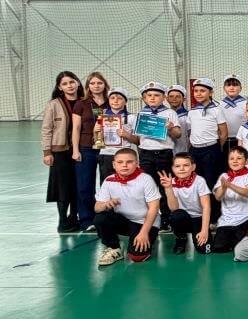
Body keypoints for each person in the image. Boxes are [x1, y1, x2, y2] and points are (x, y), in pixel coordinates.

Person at [93, 147, 161, 267]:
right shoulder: (109, 180)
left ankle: (149, 238)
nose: (124, 165)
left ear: (137, 163)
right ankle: (114, 247)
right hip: (124, 221)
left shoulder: (145, 179)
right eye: (120, 162)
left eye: (129, 162)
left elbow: (154, 208)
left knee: (137, 257)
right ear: (114, 165)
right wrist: (105, 204)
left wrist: (144, 232)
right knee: (100, 218)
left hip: (145, 223)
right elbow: (97, 208)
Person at [133, 81, 182, 225]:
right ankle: (150, 218)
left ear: (164, 98)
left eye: (156, 95)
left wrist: (171, 128)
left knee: (165, 186)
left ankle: (166, 219)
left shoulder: (170, 113)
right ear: (144, 98)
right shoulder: (140, 115)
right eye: (149, 95)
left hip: (164, 154)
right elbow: (137, 139)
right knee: (147, 186)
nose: (153, 98)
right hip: (146, 154)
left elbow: (178, 134)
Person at [42, 71, 83, 232]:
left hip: (81, 149)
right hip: (60, 152)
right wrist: (47, 152)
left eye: (71, 82)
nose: (69, 86)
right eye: (65, 84)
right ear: (60, 87)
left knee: (78, 185)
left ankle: (74, 217)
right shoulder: (53, 104)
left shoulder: (84, 102)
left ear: (77, 83)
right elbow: (46, 129)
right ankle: (62, 221)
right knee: (62, 187)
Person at [70, 71, 108, 233]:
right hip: (86, 148)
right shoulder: (81, 104)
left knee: (108, 184)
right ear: (87, 86)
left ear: (105, 85)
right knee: (85, 185)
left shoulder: (111, 102)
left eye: (99, 83)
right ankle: (86, 220)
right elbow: (76, 128)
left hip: (108, 149)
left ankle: (106, 218)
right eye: (92, 83)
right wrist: (75, 150)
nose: (96, 86)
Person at [159, 152, 212, 255]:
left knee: (204, 250)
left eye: (186, 165)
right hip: (183, 218)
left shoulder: (200, 181)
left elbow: (206, 207)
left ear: (193, 167)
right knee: (176, 216)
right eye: (177, 166)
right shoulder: (170, 182)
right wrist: (168, 188)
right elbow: (174, 208)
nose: (182, 169)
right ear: (173, 168)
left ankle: (199, 233)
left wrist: (204, 230)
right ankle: (181, 238)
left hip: (199, 218)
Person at [210, 146, 248, 253]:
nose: (235, 161)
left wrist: (230, 185)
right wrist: (223, 187)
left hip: (244, 218)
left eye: (239, 158)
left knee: (239, 247)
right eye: (231, 158)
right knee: (218, 248)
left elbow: (247, 193)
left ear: (246, 161)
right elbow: (218, 197)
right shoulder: (224, 176)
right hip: (226, 220)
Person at [186, 77, 227, 198]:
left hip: (211, 149)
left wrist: (216, 148)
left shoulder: (216, 110)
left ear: (211, 92)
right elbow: (190, 132)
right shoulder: (192, 111)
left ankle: (213, 208)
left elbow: (224, 132)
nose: (198, 94)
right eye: (196, 91)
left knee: (211, 181)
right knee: (196, 181)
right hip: (195, 151)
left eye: (202, 91)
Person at [98, 87, 135, 181]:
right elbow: (97, 142)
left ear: (125, 102)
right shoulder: (101, 116)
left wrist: (127, 135)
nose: (115, 100)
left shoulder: (132, 117)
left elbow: (138, 141)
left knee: (126, 184)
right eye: (112, 98)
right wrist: (98, 135)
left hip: (124, 156)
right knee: (107, 183)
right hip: (106, 154)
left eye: (119, 98)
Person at [220, 75, 247, 155]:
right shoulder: (219, 105)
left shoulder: (247, 104)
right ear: (224, 88)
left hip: (242, 139)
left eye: (235, 85)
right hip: (224, 140)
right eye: (228, 85)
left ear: (240, 88)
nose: (231, 87)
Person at [166, 84, 191, 156]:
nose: (174, 99)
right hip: (165, 154)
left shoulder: (188, 115)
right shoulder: (163, 115)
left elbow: (191, 136)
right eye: (171, 96)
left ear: (183, 99)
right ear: (167, 99)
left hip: (183, 153)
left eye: (178, 96)